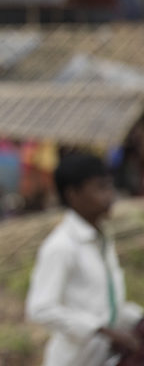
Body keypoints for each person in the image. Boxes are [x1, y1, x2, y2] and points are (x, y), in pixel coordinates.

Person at [27, 153, 143, 366]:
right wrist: (100, 330)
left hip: (103, 357)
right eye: (100, 188)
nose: (110, 195)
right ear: (73, 194)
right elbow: (40, 309)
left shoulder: (102, 239)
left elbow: (104, 304)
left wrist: (135, 318)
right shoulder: (62, 245)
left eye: (109, 187)